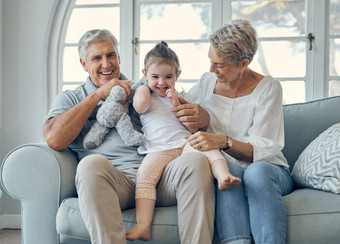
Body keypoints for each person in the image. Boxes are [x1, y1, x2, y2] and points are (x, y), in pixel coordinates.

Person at [43, 29, 215, 244]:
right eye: (97, 58)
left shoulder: (146, 88)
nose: (106, 64)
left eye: (111, 55)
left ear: (119, 57)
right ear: (83, 64)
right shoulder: (72, 98)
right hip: (116, 181)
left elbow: (182, 114)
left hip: (160, 176)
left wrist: (204, 118)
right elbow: (54, 139)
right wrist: (98, 94)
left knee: (195, 161)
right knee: (90, 164)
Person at [172, 19, 294, 244]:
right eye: (210, 61)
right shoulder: (207, 82)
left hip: (269, 170)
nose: (211, 69)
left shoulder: (268, 88)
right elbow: (180, 108)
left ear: (243, 63)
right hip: (229, 168)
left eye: (219, 65)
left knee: (256, 172)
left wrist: (224, 141)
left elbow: (262, 150)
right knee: (227, 171)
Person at [126, 41, 241, 241]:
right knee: (144, 179)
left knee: (207, 146)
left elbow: (192, 127)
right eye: (155, 77)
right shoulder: (145, 94)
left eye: (168, 77)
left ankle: (223, 176)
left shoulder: (184, 96)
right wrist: (144, 87)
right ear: (144, 74)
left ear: (177, 74)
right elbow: (139, 107)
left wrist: (176, 101)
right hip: (158, 150)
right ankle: (143, 225)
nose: (161, 83)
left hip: (184, 143)